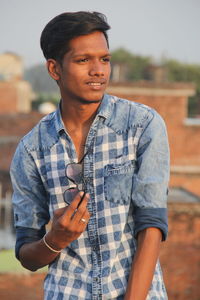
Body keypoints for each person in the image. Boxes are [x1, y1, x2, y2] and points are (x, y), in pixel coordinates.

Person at [10, 11, 170, 300]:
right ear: (54, 69)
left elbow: (151, 227)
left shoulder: (142, 125)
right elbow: (27, 254)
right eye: (83, 60)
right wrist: (55, 239)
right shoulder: (31, 150)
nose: (99, 70)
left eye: (104, 59)